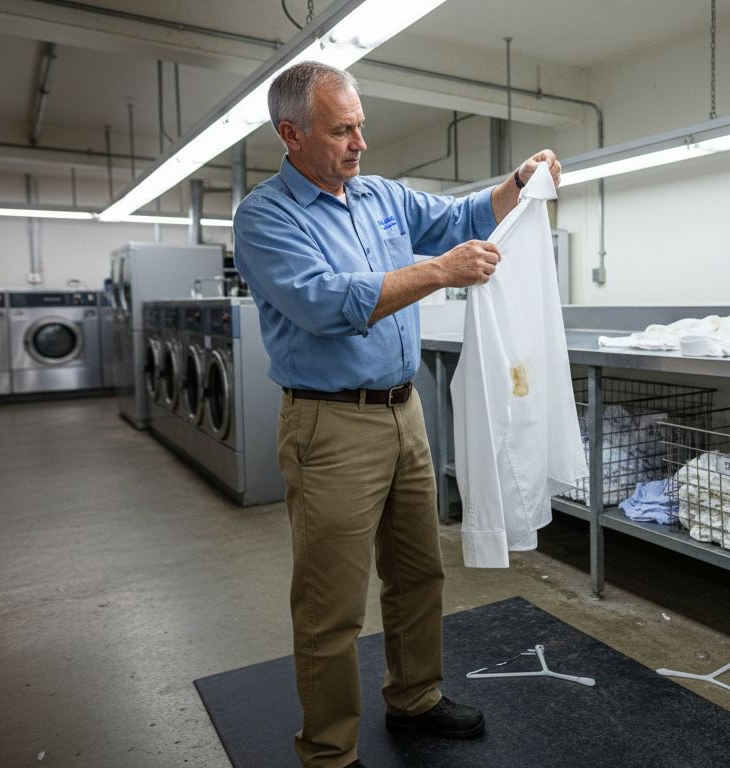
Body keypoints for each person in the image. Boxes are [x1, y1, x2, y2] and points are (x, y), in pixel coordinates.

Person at [232, 60, 561, 768]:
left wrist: (518, 182)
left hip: (402, 413)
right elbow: (325, 303)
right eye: (341, 130)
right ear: (291, 134)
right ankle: (329, 751)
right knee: (331, 605)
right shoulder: (265, 216)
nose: (360, 143)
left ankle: (415, 696)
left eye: (361, 126)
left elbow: (459, 219)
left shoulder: (379, 195)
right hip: (329, 426)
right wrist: (439, 271)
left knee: (417, 573)